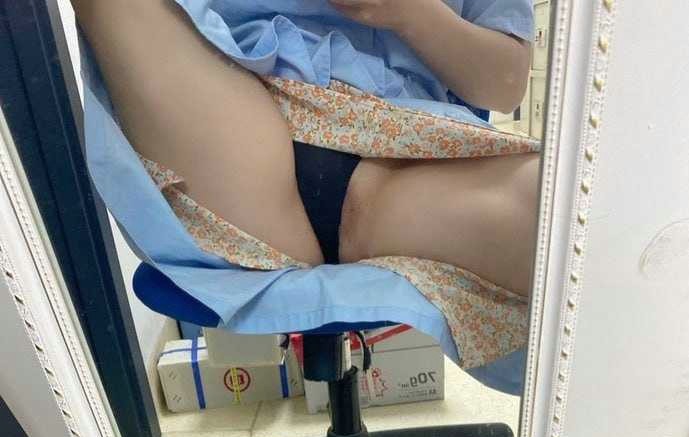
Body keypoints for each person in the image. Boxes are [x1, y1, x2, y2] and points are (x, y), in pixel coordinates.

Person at [70, 0, 538, 297]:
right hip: (224, 103)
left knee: (557, 214)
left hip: (398, 149)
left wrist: (412, 12)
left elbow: (505, 85)